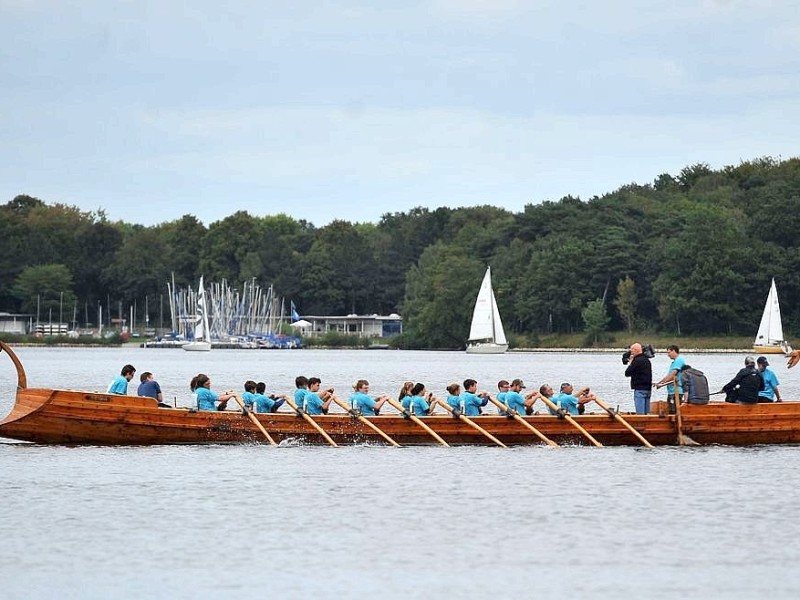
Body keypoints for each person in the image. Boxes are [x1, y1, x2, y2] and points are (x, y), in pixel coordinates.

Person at [624, 343, 653, 414]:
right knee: (646, 413)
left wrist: (630, 363)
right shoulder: (647, 360)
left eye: (632, 351)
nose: (631, 353)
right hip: (648, 388)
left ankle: (641, 424)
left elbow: (627, 373)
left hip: (639, 389)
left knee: (640, 414)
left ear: (636, 350)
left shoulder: (636, 361)